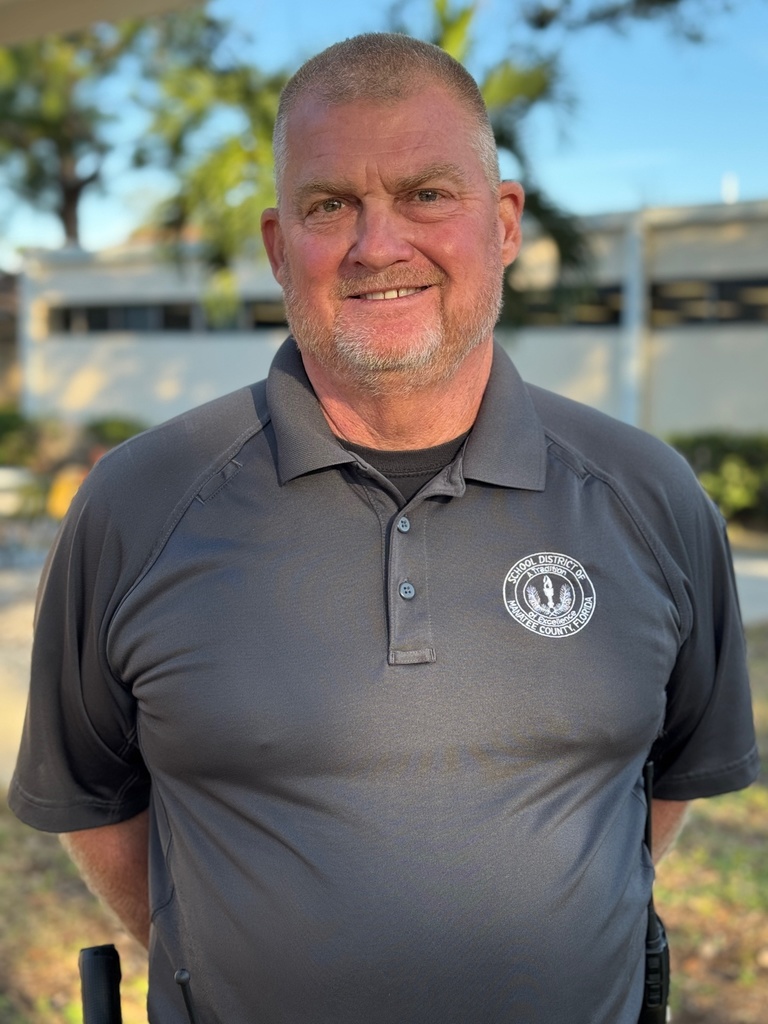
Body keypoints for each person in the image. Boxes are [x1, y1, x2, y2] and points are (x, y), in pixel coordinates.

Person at [9, 33, 758, 1024]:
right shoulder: (140, 502)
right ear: (282, 248)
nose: (378, 243)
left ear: (502, 225)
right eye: (332, 206)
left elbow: (660, 786)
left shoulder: (649, 494)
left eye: (425, 195)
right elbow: (98, 804)